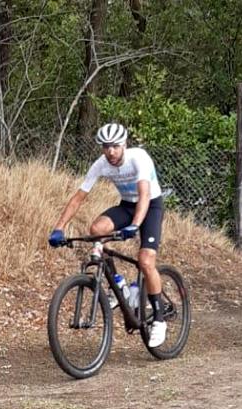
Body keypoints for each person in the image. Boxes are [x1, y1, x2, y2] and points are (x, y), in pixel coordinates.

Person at [48, 123, 168, 347]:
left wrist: (135, 225)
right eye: (106, 146)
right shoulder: (102, 164)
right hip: (126, 205)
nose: (110, 151)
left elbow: (144, 195)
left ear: (124, 144)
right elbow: (78, 197)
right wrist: (59, 227)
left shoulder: (138, 158)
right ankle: (120, 285)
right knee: (97, 230)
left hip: (150, 206)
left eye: (115, 146)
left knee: (145, 260)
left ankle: (160, 320)